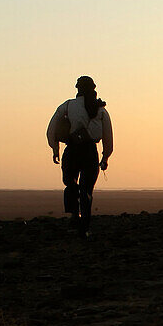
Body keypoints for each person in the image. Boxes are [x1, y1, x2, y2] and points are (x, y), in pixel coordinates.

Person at [46, 76, 113, 236]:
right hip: (90, 151)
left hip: (72, 150)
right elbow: (108, 137)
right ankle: (85, 224)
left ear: (77, 89)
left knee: (70, 184)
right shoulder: (101, 110)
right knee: (87, 189)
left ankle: (75, 216)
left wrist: (55, 149)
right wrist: (105, 157)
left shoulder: (67, 106)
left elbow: (52, 129)